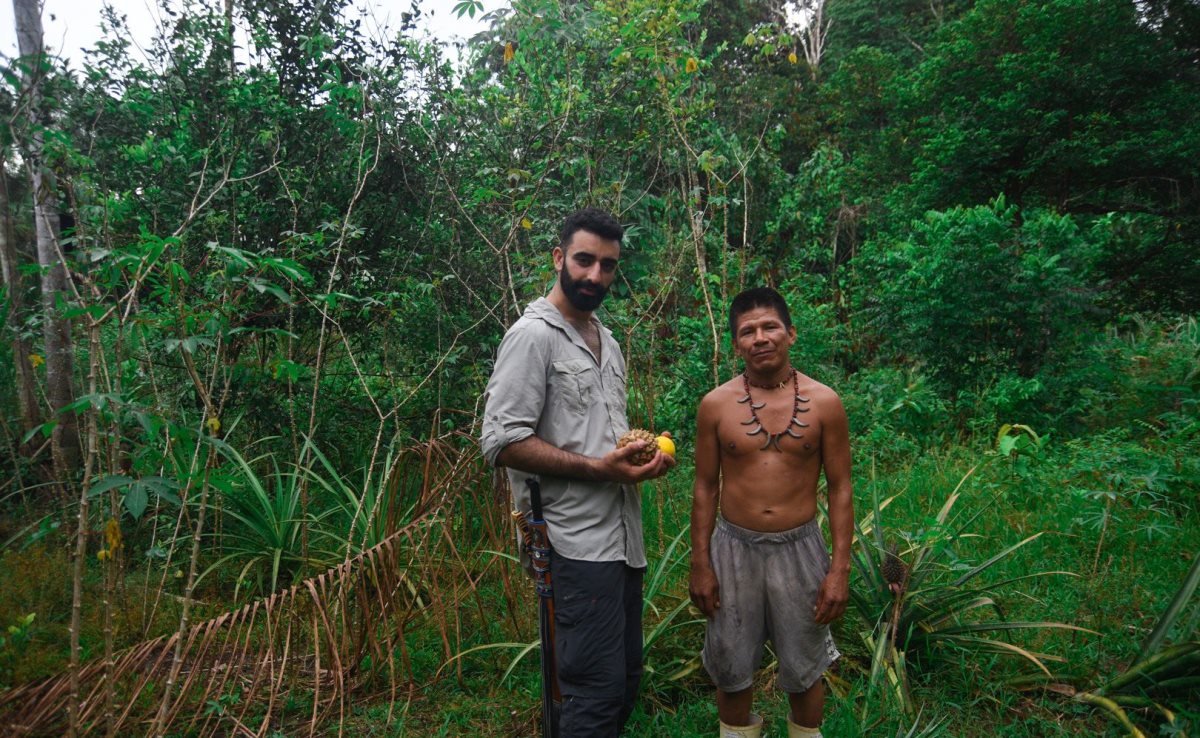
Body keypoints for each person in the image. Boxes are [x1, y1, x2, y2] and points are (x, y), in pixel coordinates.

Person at [481, 207, 674, 738]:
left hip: (620, 541)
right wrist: (598, 468)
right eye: (585, 260)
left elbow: (596, 436)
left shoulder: (606, 341)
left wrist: (638, 457)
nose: (595, 276)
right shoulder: (532, 336)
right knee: (593, 689)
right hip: (571, 544)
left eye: (608, 265)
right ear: (559, 258)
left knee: (624, 682)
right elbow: (500, 441)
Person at [689, 287, 853, 738]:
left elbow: (840, 488)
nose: (760, 338)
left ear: (790, 333)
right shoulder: (715, 406)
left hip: (799, 548)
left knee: (805, 666)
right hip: (732, 548)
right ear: (736, 343)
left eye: (769, 327)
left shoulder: (825, 403)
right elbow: (704, 485)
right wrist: (700, 562)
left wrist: (839, 569)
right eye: (748, 331)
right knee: (731, 663)